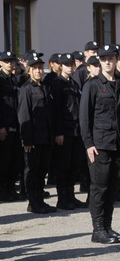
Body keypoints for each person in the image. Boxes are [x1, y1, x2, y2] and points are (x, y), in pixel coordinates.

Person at [79, 45, 120, 244]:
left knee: (112, 188)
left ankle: (107, 227)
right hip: (100, 144)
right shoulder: (92, 85)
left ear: (116, 60)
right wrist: (88, 143)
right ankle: (97, 230)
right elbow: (84, 117)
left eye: (110, 58)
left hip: (117, 144)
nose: (107, 62)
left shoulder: (119, 82)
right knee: (99, 188)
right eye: (103, 59)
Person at [17, 52, 56, 214]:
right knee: (32, 170)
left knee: (42, 170)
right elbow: (24, 115)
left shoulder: (44, 87)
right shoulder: (26, 89)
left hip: (45, 136)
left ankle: (40, 200)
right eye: (35, 69)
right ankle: (33, 202)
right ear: (29, 71)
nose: (39, 71)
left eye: (41, 68)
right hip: (33, 138)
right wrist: (27, 140)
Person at [50, 53, 88, 210]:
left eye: (71, 64)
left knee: (73, 165)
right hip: (64, 131)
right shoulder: (57, 83)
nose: (70, 67)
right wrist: (58, 132)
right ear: (60, 66)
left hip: (75, 130)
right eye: (66, 64)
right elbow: (56, 110)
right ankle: (62, 198)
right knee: (63, 166)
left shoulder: (73, 83)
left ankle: (70, 195)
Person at [0, 51, 24, 202]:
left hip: (15, 124)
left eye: (12, 61)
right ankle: (3, 191)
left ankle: (11, 188)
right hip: (4, 125)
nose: (10, 64)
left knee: (13, 159)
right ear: (1, 63)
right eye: (7, 61)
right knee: (3, 160)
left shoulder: (13, 79)